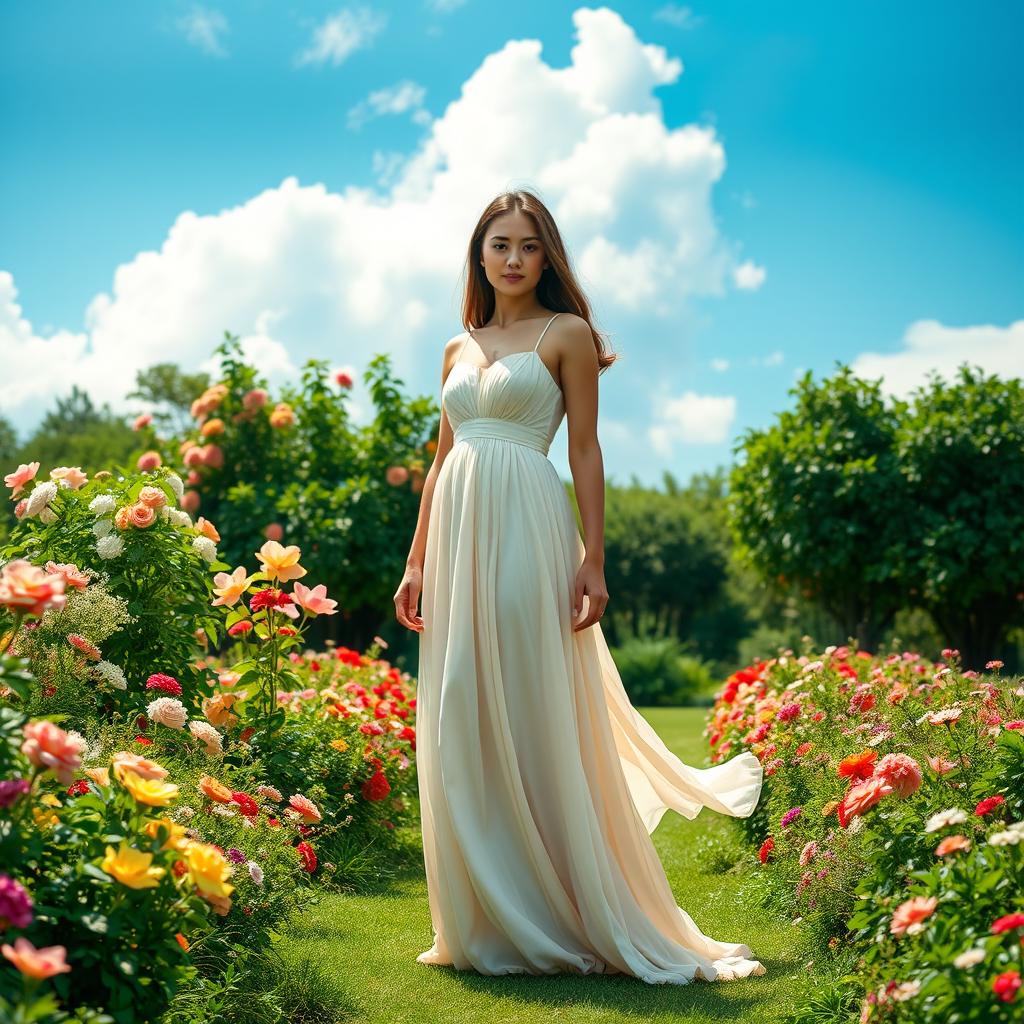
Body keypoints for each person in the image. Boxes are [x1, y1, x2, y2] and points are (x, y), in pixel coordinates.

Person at [393, 188, 766, 985]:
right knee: (457, 705)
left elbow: (586, 452)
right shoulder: (458, 348)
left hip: (528, 527)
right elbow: (439, 460)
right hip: (456, 535)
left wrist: (593, 559)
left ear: (547, 255)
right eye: (499, 244)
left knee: (531, 701)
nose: (514, 258)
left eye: (529, 245)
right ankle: (483, 915)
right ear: (479, 255)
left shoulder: (567, 334)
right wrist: (416, 559)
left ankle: (560, 905)